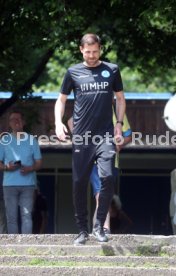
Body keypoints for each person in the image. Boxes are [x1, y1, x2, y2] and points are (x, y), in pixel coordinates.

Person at [55, 33, 126, 245]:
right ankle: (82, 230)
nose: (92, 56)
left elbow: (120, 99)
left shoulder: (112, 70)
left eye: (95, 51)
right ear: (81, 50)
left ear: (100, 49)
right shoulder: (73, 72)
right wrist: (59, 122)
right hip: (82, 137)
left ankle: (99, 226)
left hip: (105, 135)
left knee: (107, 179)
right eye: (88, 52)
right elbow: (61, 100)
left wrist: (119, 125)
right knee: (79, 183)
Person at [0, 110, 42, 234]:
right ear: (10, 123)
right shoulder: (4, 140)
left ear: (23, 122)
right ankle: (14, 245)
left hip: (28, 184)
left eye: (18, 119)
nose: (16, 122)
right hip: (9, 185)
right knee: (11, 218)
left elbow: (39, 162)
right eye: (13, 119)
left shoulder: (32, 140)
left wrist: (30, 168)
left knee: (27, 216)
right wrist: (7, 167)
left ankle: (26, 245)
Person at [90, 113, 132, 234]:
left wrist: (120, 144)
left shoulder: (119, 114)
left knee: (104, 196)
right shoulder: (91, 107)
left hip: (112, 161)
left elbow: (128, 136)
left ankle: (98, 229)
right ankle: (104, 228)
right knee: (100, 195)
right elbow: (72, 121)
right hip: (94, 161)